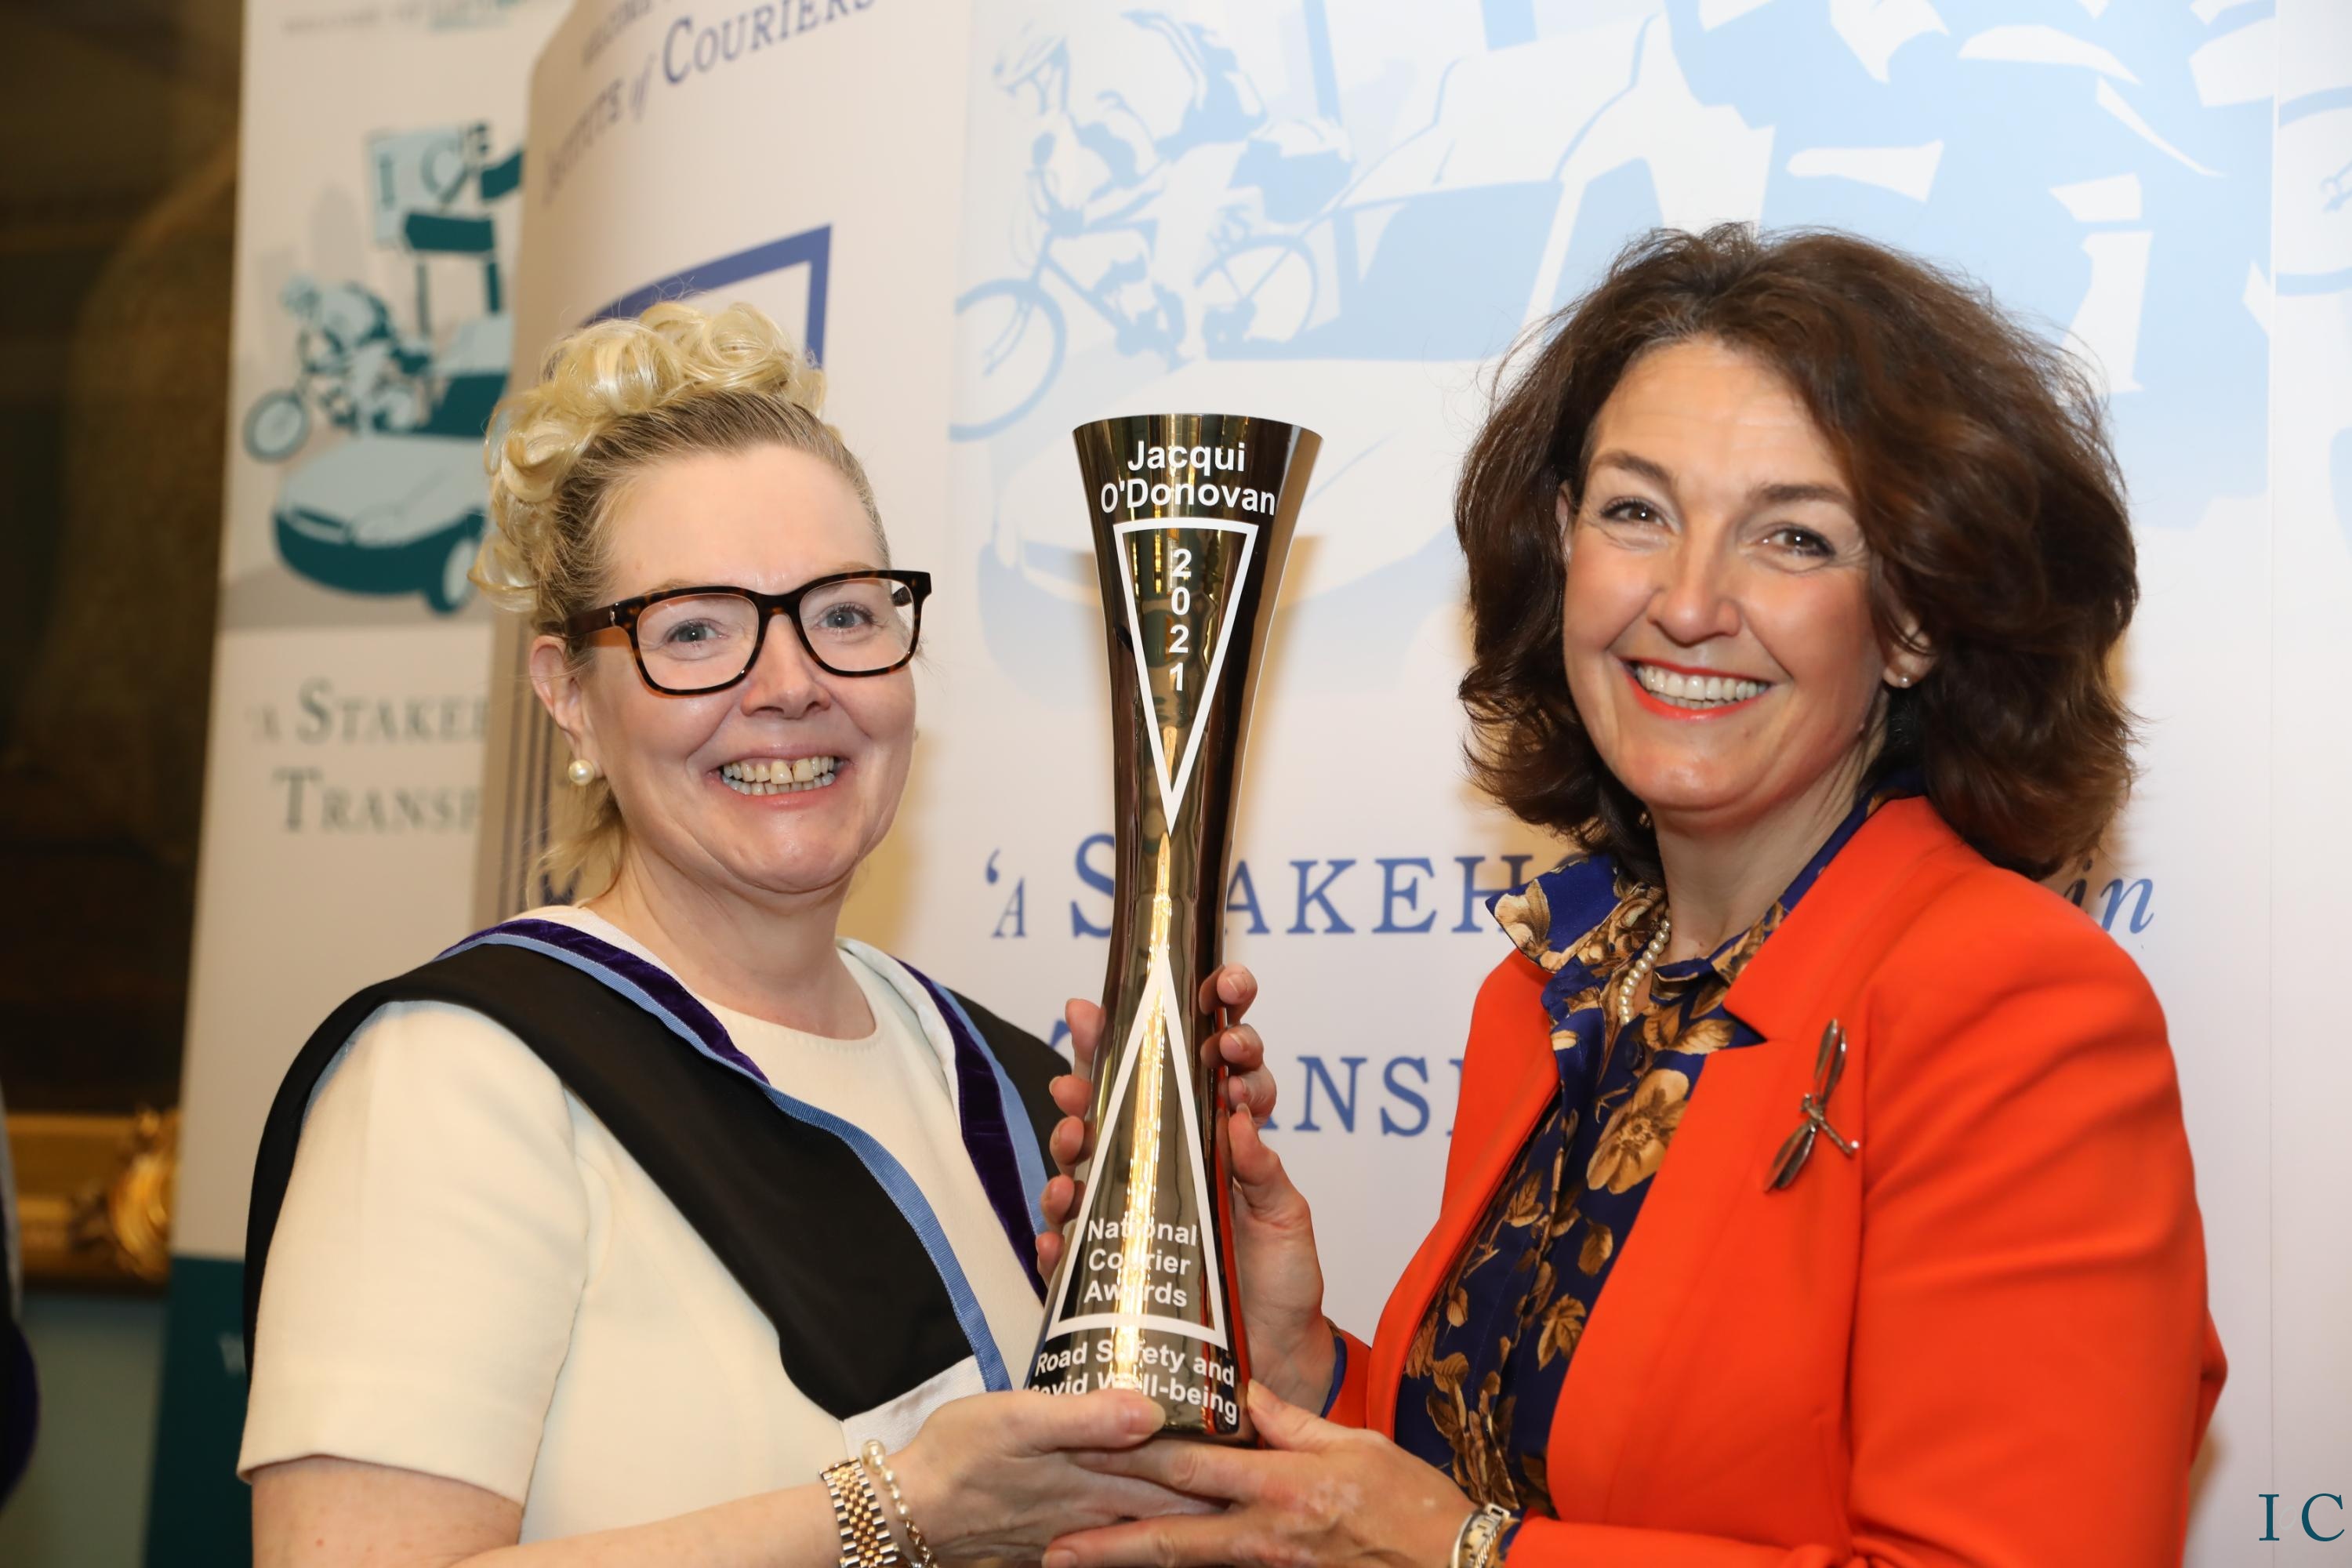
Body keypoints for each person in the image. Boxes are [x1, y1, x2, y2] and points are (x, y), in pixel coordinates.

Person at [1033, 226, 2227, 1567]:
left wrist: (1453, 1554)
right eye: (1637, 512)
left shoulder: (2015, 1008)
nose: (1690, 602)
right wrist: (1300, 1362)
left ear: (1912, 618)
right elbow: (1531, 1484)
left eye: (1793, 536)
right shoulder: (1555, 993)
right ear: (1563, 547)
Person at [237, 299, 1273, 1563]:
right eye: (696, 631)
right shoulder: (460, 1080)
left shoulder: (1011, 1087)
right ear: (569, 696)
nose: (791, 685)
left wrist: (1265, 1343)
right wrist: (893, 1514)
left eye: (844, 615)